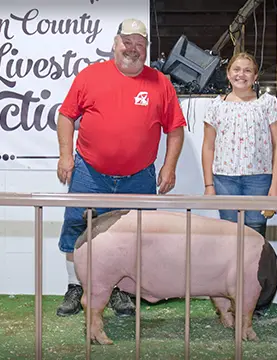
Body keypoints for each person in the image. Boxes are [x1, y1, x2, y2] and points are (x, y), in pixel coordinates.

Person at [56, 18, 186, 317]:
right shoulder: (91, 76)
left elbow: (175, 129)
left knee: (135, 237)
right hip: (89, 173)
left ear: (146, 49)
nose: (133, 48)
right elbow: (66, 116)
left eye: (139, 43)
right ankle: (75, 285)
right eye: (127, 41)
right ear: (115, 44)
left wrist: (169, 166)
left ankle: (121, 291)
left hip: (139, 176)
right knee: (77, 228)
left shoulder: (160, 83)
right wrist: (66, 155)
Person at [202, 52, 277, 238]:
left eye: (248, 71)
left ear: (255, 77)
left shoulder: (268, 104)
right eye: (236, 70)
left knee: (255, 233)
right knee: (228, 233)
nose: (242, 74)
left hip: (260, 179)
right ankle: (231, 269)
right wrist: (209, 185)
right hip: (224, 180)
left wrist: (276, 184)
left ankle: (254, 268)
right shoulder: (215, 106)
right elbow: (208, 147)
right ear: (229, 74)